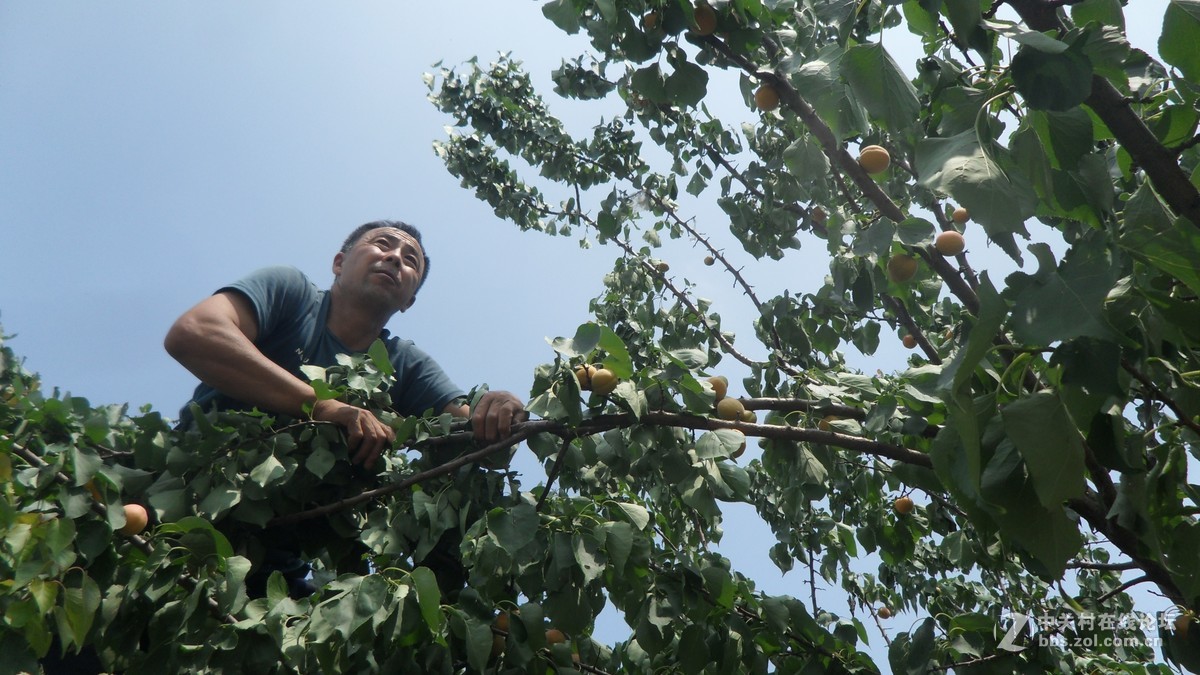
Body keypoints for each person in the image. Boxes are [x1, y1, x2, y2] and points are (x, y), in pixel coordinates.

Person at [164, 219, 527, 596]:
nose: (395, 258)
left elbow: (477, 440)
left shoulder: (405, 364)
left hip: (270, 574)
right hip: (178, 506)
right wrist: (324, 407)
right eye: (382, 244)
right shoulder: (291, 293)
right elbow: (194, 334)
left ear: (409, 301)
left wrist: (502, 409)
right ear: (339, 262)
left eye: (410, 261)